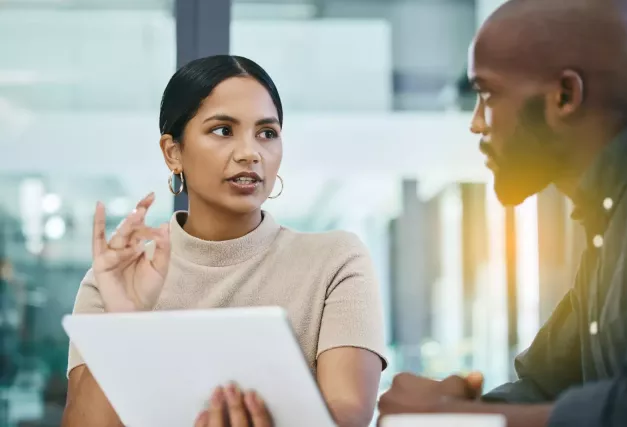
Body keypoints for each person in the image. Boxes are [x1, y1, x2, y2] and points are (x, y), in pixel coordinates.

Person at [61, 55, 386, 427]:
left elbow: (348, 416)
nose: (250, 152)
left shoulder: (336, 261)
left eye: (267, 133)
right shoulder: (116, 279)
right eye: (223, 130)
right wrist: (124, 320)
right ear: (173, 152)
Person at [378, 0, 627, 426]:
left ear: (564, 96)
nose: (477, 123)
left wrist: (448, 415)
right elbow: (544, 384)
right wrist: (457, 409)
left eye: (487, 94)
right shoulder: (606, 222)